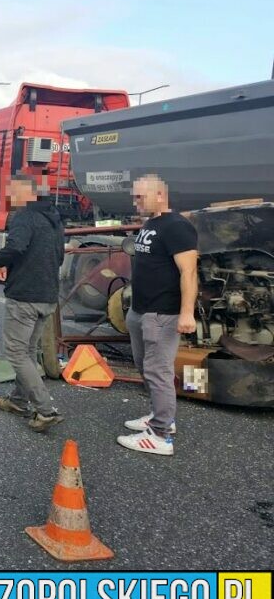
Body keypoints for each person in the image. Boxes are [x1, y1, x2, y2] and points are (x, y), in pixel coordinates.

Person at [117, 174, 198, 456]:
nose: (136, 202)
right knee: (144, 367)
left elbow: (189, 272)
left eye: (141, 197)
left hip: (162, 313)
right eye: (135, 197)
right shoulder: (152, 223)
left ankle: (161, 435)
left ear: (160, 195)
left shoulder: (177, 226)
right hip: (141, 310)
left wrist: (186, 313)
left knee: (158, 371)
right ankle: (159, 417)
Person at [0, 175, 66, 432]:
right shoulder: (53, 218)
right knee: (29, 350)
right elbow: (59, 255)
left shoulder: (24, 216)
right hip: (47, 296)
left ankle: (45, 410)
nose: (10, 196)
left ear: (27, 193)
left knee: (16, 352)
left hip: (25, 296)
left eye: (13, 191)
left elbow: (16, 246)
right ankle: (19, 401)